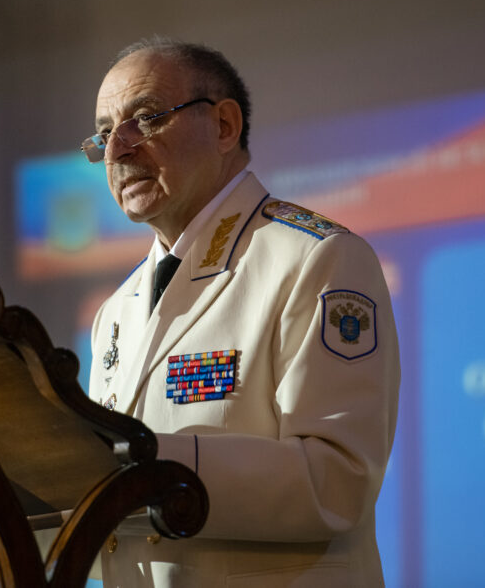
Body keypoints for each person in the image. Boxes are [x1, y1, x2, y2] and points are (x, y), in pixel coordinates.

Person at [83, 38, 400, 587]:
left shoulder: (315, 258)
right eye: (105, 133)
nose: (117, 150)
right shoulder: (115, 310)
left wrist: (146, 467)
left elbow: (337, 483)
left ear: (224, 126)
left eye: (146, 118)